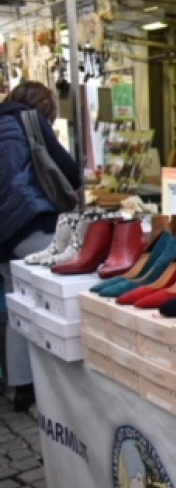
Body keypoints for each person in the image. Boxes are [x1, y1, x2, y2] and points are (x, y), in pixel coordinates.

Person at [0, 81, 80, 412]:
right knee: (67, 287)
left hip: (5, 235)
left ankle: (22, 387)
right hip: (29, 224)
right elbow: (70, 171)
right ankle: (66, 383)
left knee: (19, 303)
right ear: (46, 108)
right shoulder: (29, 121)